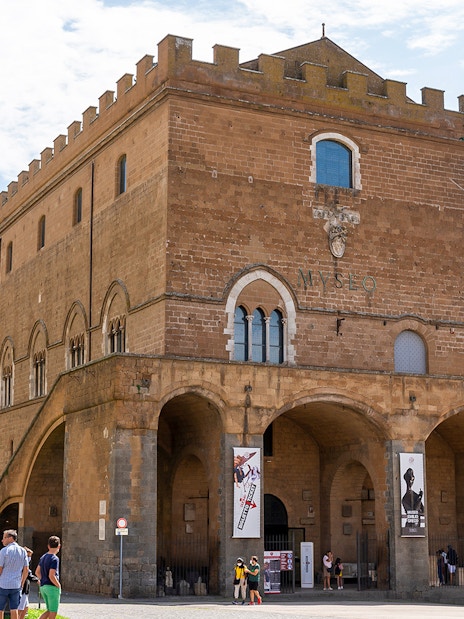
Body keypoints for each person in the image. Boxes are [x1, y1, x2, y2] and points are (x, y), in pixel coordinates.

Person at [0, 529, 29, 619]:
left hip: (3, 584)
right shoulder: (23, 551)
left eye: (4, 537)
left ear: (10, 538)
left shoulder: (4, 551)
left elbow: (0, 568)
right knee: (14, 608)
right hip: (16, 585)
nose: (2, 540)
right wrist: (22, 582)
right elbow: (26, 569)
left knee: (0, 609)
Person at [35, 536, 61, 619]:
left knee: (49, 610)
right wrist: (58, 585)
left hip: (43, 586)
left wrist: (42, 579)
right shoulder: (54, 558)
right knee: (53, 613)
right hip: (52, 587)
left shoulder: (43, 557)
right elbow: (51, 575)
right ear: (59, 546)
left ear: (48, 546)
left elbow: (37, 572)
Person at [18, 547, 37, 619]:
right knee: (20, 608)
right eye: (28, 556)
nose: (29, 558)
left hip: (25, 588)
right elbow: (28, 574)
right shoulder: (22, 565)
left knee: (25, 607)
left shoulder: (26, 565)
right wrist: (37, 580)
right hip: (22, 588)